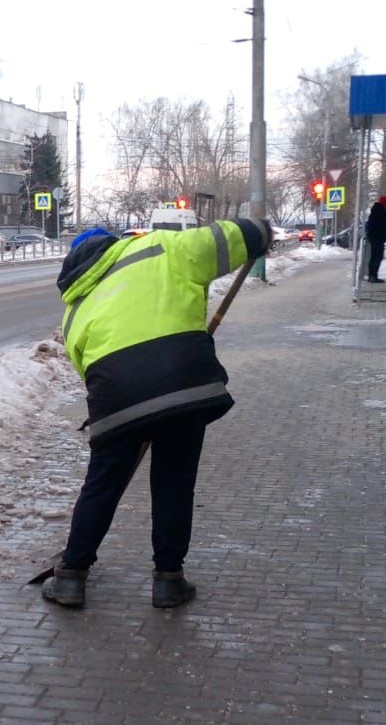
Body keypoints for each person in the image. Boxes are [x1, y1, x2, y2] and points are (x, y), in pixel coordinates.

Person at [42, 217, 272, 611]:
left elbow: (88, 372)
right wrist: (259, 233)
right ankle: (168, 581)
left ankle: (71, 576)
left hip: (115, 400)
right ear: (112, 245)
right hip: (183, 389)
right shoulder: (162, 248)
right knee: (173, 485)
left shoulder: (74, 310)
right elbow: (234, 237)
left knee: (102, 485)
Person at [364, 195, 386, 282]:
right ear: (384, 203)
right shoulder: (380, 211)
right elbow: (383, 224)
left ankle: (372, 276)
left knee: (375, 257)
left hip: (375, 237)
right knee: (377, 257)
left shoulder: (376, 210)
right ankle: (373, 276)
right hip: (378, 238)